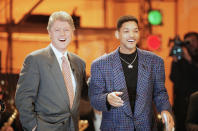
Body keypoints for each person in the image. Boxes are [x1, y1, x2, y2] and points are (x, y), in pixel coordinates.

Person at [89, 15, 174, 130]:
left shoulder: (155, 61)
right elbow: (94, 99)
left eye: (135, 31)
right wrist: (107, 98)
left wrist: (165, 110)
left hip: (146, 127)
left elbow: (160, 93)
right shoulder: (100, 64)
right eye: (126, 31)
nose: (132, 35)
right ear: (117, 34)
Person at [15, 11, 88, 131]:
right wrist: (33, 127)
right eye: (57, 30)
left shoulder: (79, 62)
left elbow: (85, 92)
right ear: (49, 33)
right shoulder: (35, 59)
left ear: (72, 32)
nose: (62, 34)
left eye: (66, 30)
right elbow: (23, 97)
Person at [170, 32, 198, 131]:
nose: (191, 44)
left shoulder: (193, 59)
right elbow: (173, 78)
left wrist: (189, 60)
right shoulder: (181, 59)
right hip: (181, 105)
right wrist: (175, 61)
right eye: (188, 42)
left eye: (193, 41)